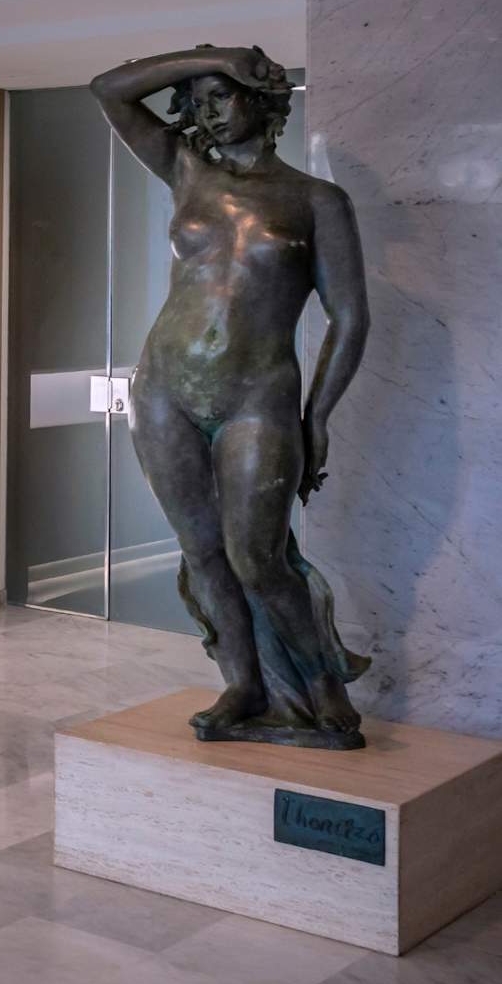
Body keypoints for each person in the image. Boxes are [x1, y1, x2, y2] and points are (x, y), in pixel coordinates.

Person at [88, 44, 371, 748]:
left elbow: (349, 317)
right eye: (198, 100)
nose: (208, 112)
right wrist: (210, 56)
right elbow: (109, 89)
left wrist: (318, 418)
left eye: (222, 94)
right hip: (164, 390)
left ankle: (322, 687)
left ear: (262, 99)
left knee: (259, 558)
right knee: (202, 550)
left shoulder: (316, 200)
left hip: (257, 399)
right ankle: (241, 683)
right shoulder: (187, 170)